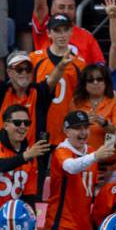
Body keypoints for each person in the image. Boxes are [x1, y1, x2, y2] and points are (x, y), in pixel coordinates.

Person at [42, 111, 116, 230]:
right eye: (77, 128)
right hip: (60, 229)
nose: (83, 132)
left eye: (85, 128)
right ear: (66, 131)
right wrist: (95, 156)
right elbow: (71, 167)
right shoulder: (61, 151)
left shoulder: (91, 151)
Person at [31, 0, 104, 64]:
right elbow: (40, 7)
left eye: (70, 7)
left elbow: (99, 65)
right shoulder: (44, 28)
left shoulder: (86, 36)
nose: (66, 11)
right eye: (61, 7)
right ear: (51, 10)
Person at [29, 14, 86, 146]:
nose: (62, 35)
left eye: (65, 30)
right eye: (57, 30)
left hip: (67, 127)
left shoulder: (79, 64)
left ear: (71, 32)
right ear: (48, 33)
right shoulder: (34, 59)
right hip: (39, 124)